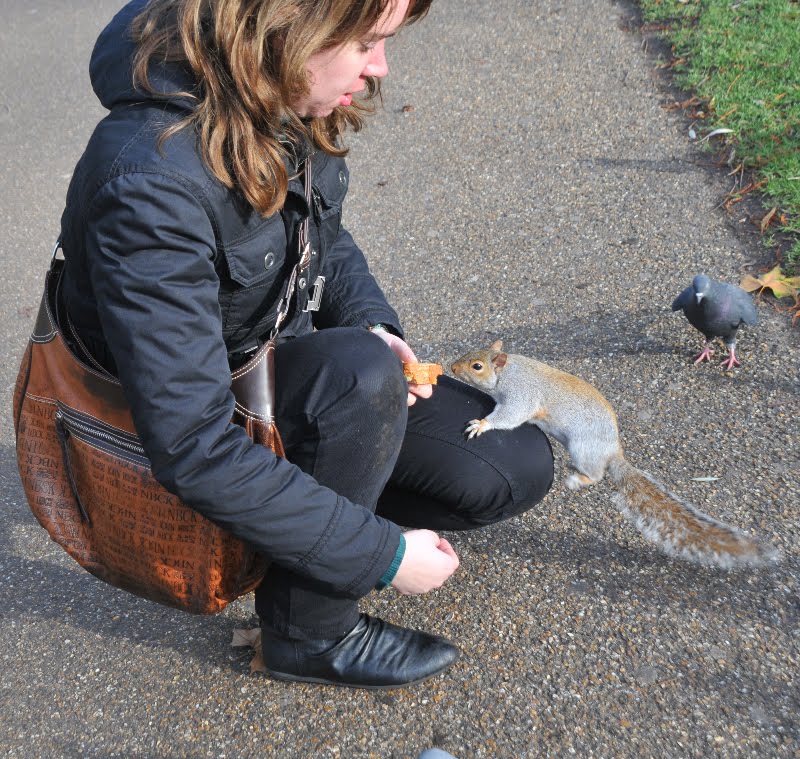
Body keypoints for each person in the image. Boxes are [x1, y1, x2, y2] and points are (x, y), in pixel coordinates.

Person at [59, 0, 554, 690]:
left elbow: (322, 234)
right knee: (356, 375)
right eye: (366, 44)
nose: (380, 67)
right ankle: (307, 632)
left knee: (511, 465)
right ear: (290, 30)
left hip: (270, 374)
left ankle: (301, 516)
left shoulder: (267, 90)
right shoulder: (150, 182)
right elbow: (192, 445)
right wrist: (380, 555)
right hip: (176, 434)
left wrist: (375, 320)